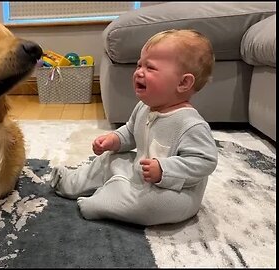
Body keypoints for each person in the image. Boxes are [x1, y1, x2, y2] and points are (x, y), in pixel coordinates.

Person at [49, 29, 219, 226]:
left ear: (183, 82)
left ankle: (104, 201)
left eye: (150, 67)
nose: (139, 71)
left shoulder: (190, 124)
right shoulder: (144, 108)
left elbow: (204, 161)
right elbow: (130, 131)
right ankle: (71, 182)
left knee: (150, 205)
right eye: (139, 64)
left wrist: (164, 170)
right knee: (110, 159)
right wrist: (114, 140)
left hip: (175, 191)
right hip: (141, 172)